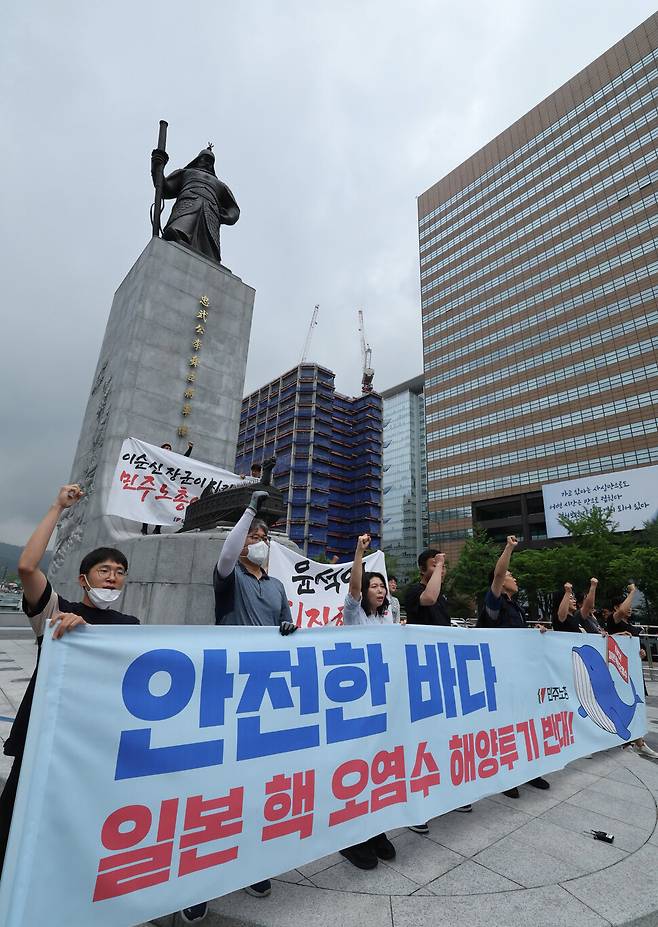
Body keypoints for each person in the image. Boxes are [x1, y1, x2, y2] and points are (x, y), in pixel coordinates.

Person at [0, 484, 139, 875]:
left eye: (120, 572)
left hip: (94, 741)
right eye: (104, 570)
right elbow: (27, 567)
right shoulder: (59, 611)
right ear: (84, 579)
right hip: (44, 734)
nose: (112, 578)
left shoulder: (131, 626)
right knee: (16, 815)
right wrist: (57, 507)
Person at [180, 490, 296, 923]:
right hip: (226, 688)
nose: (261, 540)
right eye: (254, 535)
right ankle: (199, 879)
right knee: (214, 785)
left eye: (265, 535)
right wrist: (249, 512)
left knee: (255, 780)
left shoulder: (277, 585)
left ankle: (249, 862)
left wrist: (288, 628)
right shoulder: (230, 576)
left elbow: (287, 624)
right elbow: (227, 553)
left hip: (264, 692)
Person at [338, 533, 396, 870]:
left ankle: (374, 828)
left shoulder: (385, 618)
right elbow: (355, 589)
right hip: (357, 703)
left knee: (380, 763)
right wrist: (360, 552)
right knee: (357, 765)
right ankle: (351, 836)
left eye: (383, 587)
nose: (380, 590)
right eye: (375, 585)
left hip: (382, 700)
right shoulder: (354, 614)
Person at [479, 535, 551, 798]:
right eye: (511, 574)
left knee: (525, 724)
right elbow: (498, 576)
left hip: (521, 675)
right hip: (501, 677)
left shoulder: (515, 607)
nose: (514, 578)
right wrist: (508, 547)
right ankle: (507, 777)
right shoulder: (493, 602)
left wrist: (536, 632)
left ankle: (530, 770)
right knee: (505, 727)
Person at [405, 549, 472, 829]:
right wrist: (441, 564)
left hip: (442, 669)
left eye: (443, 565)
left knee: (444, 735)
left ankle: (447, 792)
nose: (442, 569)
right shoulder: (414, 591)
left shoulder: (442, 594)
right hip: (421, 671)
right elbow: (428, 599)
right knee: (422, 738)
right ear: (424, 569)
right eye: (435, 564)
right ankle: (416, 806)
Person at [607, 584, 658, 759]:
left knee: (635, 705)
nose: (629, 609)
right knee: (624, 703)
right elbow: (621, 612)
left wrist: (641, 653)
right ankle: (631, 741)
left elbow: (637, 648)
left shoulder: (629, 624)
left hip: (633, 672)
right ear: (616, 607)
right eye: (626, 605)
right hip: (619, 673)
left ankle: (636, 741)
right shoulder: (614, 620)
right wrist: (632, 592)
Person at [142, 441, 194, 535]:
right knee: (150, 508)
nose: (168, 449)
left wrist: (190, 449)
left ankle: (157, 529)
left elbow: (183, 459)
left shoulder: (171, 460)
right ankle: (144, 528)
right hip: (155, 486)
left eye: (169, 448)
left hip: (165, 488)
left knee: (163, 509)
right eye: (166, 447)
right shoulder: (155, 457)